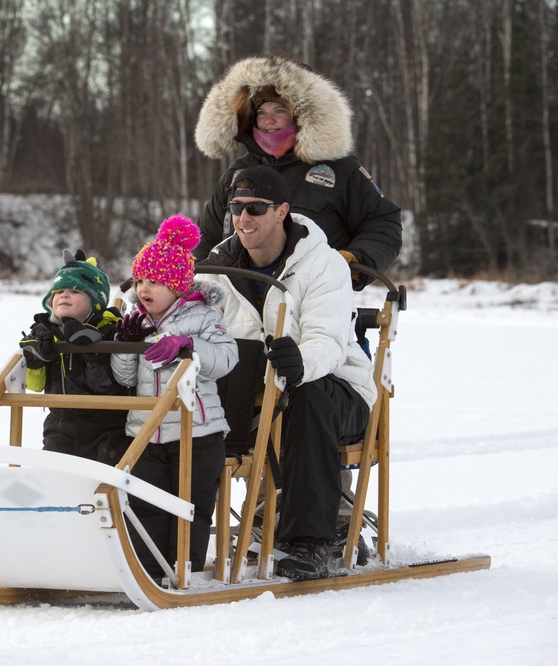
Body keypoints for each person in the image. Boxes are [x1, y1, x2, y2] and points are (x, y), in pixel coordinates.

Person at [199, 165, 377, 581]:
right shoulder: (218, 264)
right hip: (254, 393)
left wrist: (300, 362)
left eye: (256, 208)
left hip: (337, 392)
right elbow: (188, 314)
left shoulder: (323, 263)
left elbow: (328, 340)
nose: (244, 218)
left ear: (282, 211)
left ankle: (312, 541)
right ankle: (164, 532)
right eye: (237, 208)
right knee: (183, 393)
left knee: (307, 395)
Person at [192, 54, 402, 291]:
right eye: (262, 112)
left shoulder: (340, 170)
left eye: (279, 110)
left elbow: (382, 223)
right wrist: (190, 278)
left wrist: (355, 259)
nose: (269, 120)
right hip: (239, 302)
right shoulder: (238, 172)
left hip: (315, 298)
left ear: (302, 115)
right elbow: (206, 239)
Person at [108, 215, 238, 579]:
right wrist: (126, 345)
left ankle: (186, 568)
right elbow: (124, 378)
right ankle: (149, 570)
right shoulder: (138, 320)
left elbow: (227, 358)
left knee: (189, 505)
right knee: (147, 504)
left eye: (155, 281)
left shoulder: (201, 317)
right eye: (140, 280)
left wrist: (190, 346)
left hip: (197, 432)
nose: (144, 289)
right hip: (147, 430)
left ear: (178, 286)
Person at [18, 249, 128, 461]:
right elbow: (35, 386)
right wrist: (33, 360)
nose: (64, 295)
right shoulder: (44, 333)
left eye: (76, 291)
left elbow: (106, 387)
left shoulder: (108, 330)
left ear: (95, 302)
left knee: (100, 482)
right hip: (59, 422)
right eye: (59, 292)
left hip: (105, 424)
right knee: (55, 477)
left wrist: (92, 352)